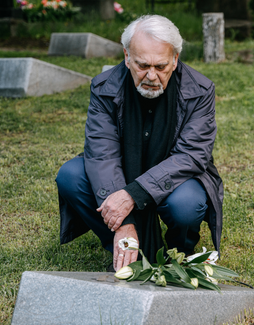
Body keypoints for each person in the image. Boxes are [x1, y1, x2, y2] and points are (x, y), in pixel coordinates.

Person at [56, 15, 223, 271]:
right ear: (126, 57)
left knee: (187, 204)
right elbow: (102, 154)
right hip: (121, 172)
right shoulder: (104, 87)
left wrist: (133, 194)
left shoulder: (199, 91)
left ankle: (180, 252)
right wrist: (124, 222)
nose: (152, 76)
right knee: (71, 175)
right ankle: (124, 243)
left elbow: (192, 155)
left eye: (161, 66)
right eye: (143, 65)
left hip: (174, 180)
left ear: (176, 59)